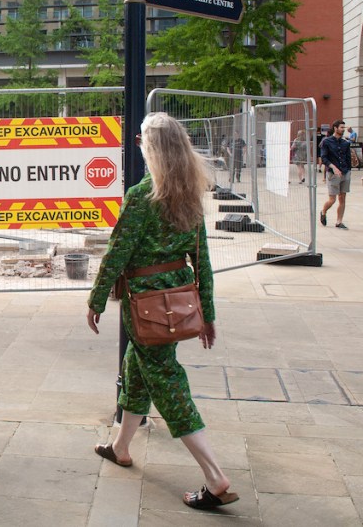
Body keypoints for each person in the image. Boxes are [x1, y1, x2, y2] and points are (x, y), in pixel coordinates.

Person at [86, 113, 235, 511]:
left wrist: (96, 299)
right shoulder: (190, 193)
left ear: (151, 148)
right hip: (178, 301)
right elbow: (202, 260)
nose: (138, 145)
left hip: (145, 305)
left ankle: (215, 477)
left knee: (168, 382)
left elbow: (118, 252)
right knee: (138, 368)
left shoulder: (143, 194)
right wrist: (207, 313)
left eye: (141, 140)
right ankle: (120, 447)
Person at [319, 119, 355, 229]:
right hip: (333, 174)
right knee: (332, 199)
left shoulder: (345, 143)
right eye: (341, 128)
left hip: (345, 172)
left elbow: (348, 158)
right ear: (335, 128)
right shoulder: (326, 142)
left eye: (344, 128)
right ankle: (323, 211)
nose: (343, 130)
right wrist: (333, 167)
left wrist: (348, 170)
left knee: (342, 198)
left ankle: (339, 221)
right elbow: (324, 158)